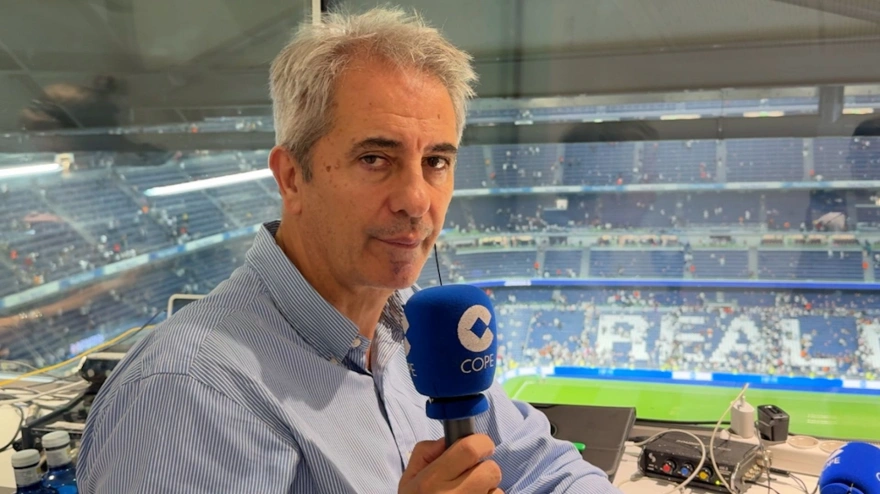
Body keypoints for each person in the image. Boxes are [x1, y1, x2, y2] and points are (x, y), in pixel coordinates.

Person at [76, 8, 619, 494]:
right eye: (375, 159)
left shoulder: (416, 327)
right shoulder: (185, 395)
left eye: (436, 161)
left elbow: (548, 470)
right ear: (292, 177)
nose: (416, 200)